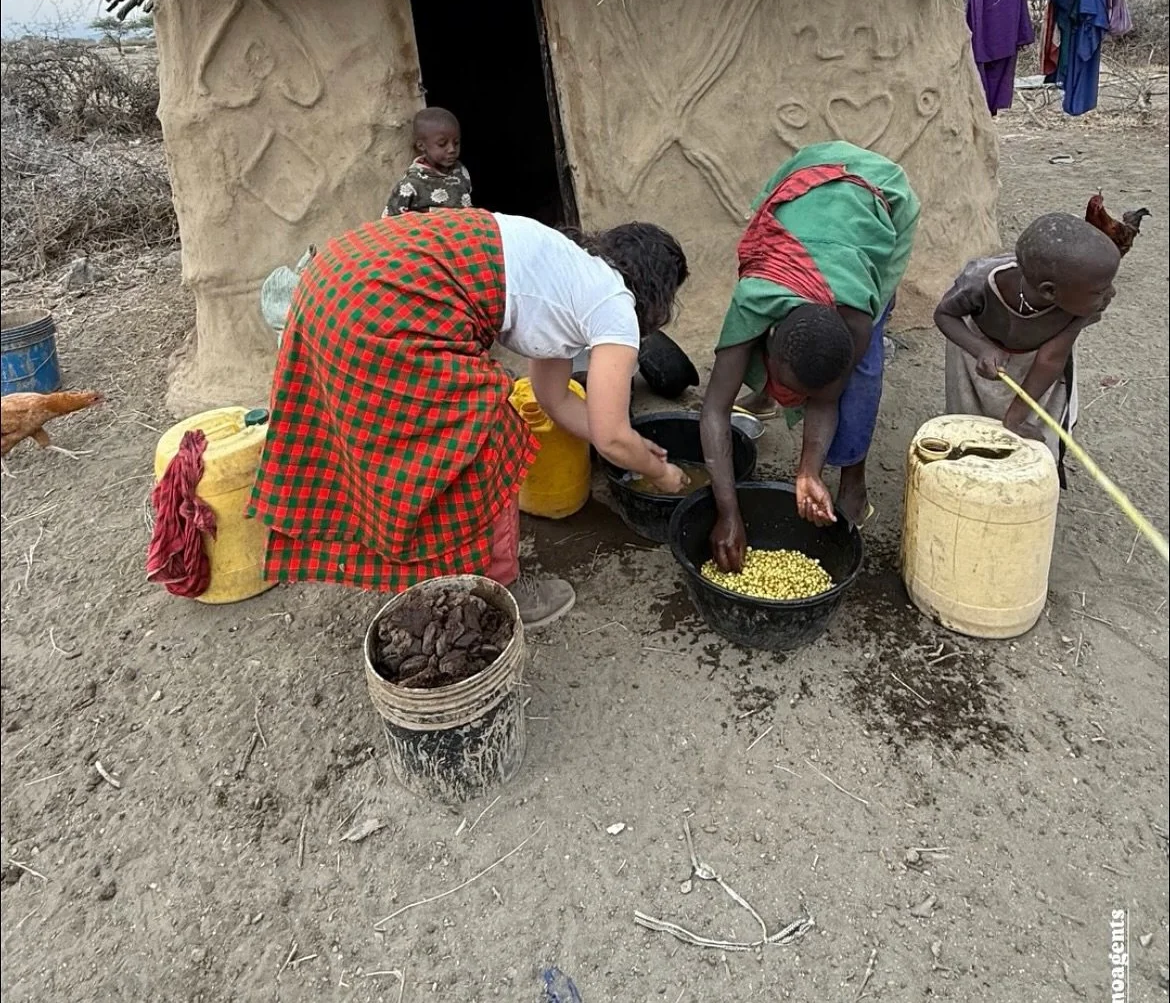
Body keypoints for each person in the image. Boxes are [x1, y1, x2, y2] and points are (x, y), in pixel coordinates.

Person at [247, 209, 689, 627]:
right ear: (656, 294)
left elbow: (553, 398)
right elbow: (611, 436)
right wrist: (661, 473)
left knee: (406, 440)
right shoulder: (614, 304)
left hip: (335, 277)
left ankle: (431, 562)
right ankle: (500, 586)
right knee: (489, 437)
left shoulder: (568, 272)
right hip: (381, 301)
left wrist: (636, 450)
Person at [700, 142, 920, 570]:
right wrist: (728, 513)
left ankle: (853, 480)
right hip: (816, 175)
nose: (800, 399)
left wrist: (809, 471)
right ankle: (766, 396)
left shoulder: (857, 319)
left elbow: (826, 397)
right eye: (788, 388)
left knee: (863, 372)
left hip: (882, 195)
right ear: (767, 334)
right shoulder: (755, 298)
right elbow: (713, 411)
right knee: (755, 363)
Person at [933, 212, 1119, 472]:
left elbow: (1050, 358)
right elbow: (944, 315)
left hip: (1040, 371)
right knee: (971, 428)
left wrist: (1016, 417)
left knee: (1034, 437)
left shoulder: (1080, 304)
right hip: (977, 352)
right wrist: (980, 349)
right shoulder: (980, 280)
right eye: (1100, 290)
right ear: (1049, 291)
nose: (1111, 294)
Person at [384, 107, 473, 216]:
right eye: (442, 144)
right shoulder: (411, 184)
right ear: (421, 145)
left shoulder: (461, 171)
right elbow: (390, 221)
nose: (452, 149)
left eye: (456, 143)